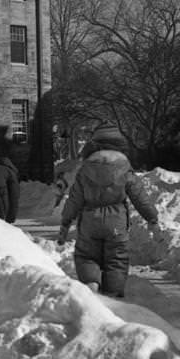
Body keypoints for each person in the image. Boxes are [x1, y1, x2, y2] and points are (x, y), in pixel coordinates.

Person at [57, 123, 159, 298]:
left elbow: (74, 199)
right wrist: (152, 217)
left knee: (87, 256)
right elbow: (139, 197)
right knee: (117, 259)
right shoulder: (125, 168)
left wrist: (66, 222)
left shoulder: (85, 169)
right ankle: (112, 295)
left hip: (90, 222)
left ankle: (91, 284)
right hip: (116, 223)